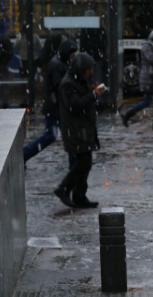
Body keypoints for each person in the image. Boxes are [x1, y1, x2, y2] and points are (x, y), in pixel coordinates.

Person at [54, 53, 106, 208]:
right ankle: (65, 189)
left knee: (85, 163)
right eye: (89, 69)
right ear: (81, 69)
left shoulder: (79, 81)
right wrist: (93, 95)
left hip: (83, 128)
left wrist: (93, 92)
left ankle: (78, 195)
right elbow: (75, 105)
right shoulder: (67, 84)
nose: (91, 72)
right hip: (76, 129)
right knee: (83, 163)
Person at [23, 39, 78, 165]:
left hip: (56, 107)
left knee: (61, 135)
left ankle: (74, 163)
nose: (73, 57)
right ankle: (24, 154)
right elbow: (59, 86)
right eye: (72, 54)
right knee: (57, 136)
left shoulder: (59, 63)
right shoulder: (58, 65)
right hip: (56, 108)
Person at [120, 29, 153, 130]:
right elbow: (152, 59)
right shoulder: (147, 47)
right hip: (149, 79)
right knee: (147, 101)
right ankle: (127, 115)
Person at [80, 10, 108, 108]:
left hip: (89, 59)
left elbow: (82, 45)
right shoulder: (100, 30)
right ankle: (98, 101)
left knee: (89, 81)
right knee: (97, 80)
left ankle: (94, 100)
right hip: (97, 58)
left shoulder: (85, 30)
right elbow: (104, 44)